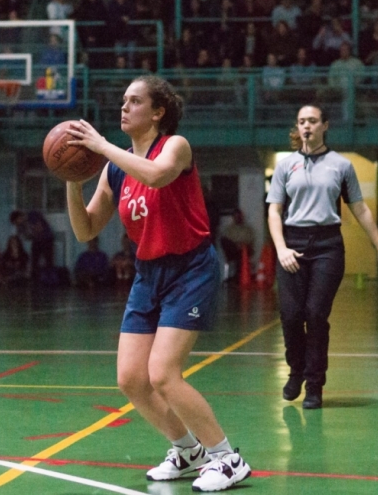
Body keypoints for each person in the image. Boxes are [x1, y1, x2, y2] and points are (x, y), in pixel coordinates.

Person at [64, 75, 251, 492]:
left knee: (164, 373)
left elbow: (155, 176)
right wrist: (72, 182)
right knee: (131, 378)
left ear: (158, 111)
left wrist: (100, 147)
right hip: (148, 275)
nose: (124, 108)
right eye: (123, 101)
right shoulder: (113, 169)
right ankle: (187, 450)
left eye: (134, 101)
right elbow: (86, 228)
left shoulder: (175, 147)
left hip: (191, 269)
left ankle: (226, 457)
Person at [267, 104, 378, 410]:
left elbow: (360, 208)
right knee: (291, 315)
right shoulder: (286, 165)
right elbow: (274, 210)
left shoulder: (341, 165)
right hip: (292, 242)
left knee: (315, 314)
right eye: (301, 122)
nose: (306, 126)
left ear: (325, 125)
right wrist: (282, 248)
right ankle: (295, 371)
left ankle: (314, 385)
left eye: (312, 121)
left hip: (327, 246)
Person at [9, 209, 55, 282]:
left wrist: (28, 229)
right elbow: (27, 237)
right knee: (34, 260)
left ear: (19, 217)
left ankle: (50, 279)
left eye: (16, 222)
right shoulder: (21, 226)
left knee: (48, 259)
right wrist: (27, 232)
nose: (17, 224)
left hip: (46, 238)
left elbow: (39, 228)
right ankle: (35, 279)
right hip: (36, 240)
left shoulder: (32, 215)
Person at [220, 209, 256, 283]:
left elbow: (250, 240)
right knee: (224, 241)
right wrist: (236, 244)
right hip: (232, 249)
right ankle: (232, 276)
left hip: (244, 249)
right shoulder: (229, 229)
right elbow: (227, 240)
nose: (238, 218)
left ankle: (237, 276)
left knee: (241, 252)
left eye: (239, 216)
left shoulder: (247, 229)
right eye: (236, 216)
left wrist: (241, 244)